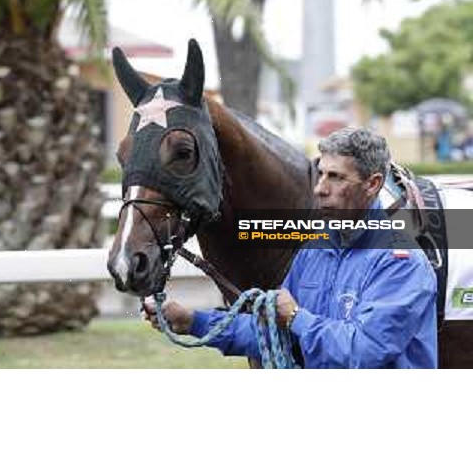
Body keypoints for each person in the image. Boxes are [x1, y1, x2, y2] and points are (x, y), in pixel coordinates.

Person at [142, 127, 438, 369]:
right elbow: (274, 333)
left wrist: (297, 317)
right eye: (321, 174)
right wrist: (194, 321)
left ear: (373, 184)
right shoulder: (315, 248)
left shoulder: (400, 262)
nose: (320, 188)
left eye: (335, 177)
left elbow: (364, 351)